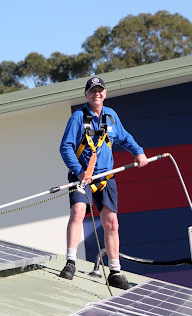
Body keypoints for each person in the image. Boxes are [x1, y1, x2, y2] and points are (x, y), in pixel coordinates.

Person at [59, 77, 148, 290]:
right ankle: (70, 262)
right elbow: (66, 147)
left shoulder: (111, 116)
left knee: (111, 223)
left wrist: (138, 152)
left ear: (105, 93)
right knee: (78, 212)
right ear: (86, 95)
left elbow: (124, 137)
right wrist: (80, 173)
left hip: (106, 177)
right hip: (83, 176)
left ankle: (115, 271)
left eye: (100, 90)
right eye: (92, 91)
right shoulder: (77, 118)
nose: (96, 94)